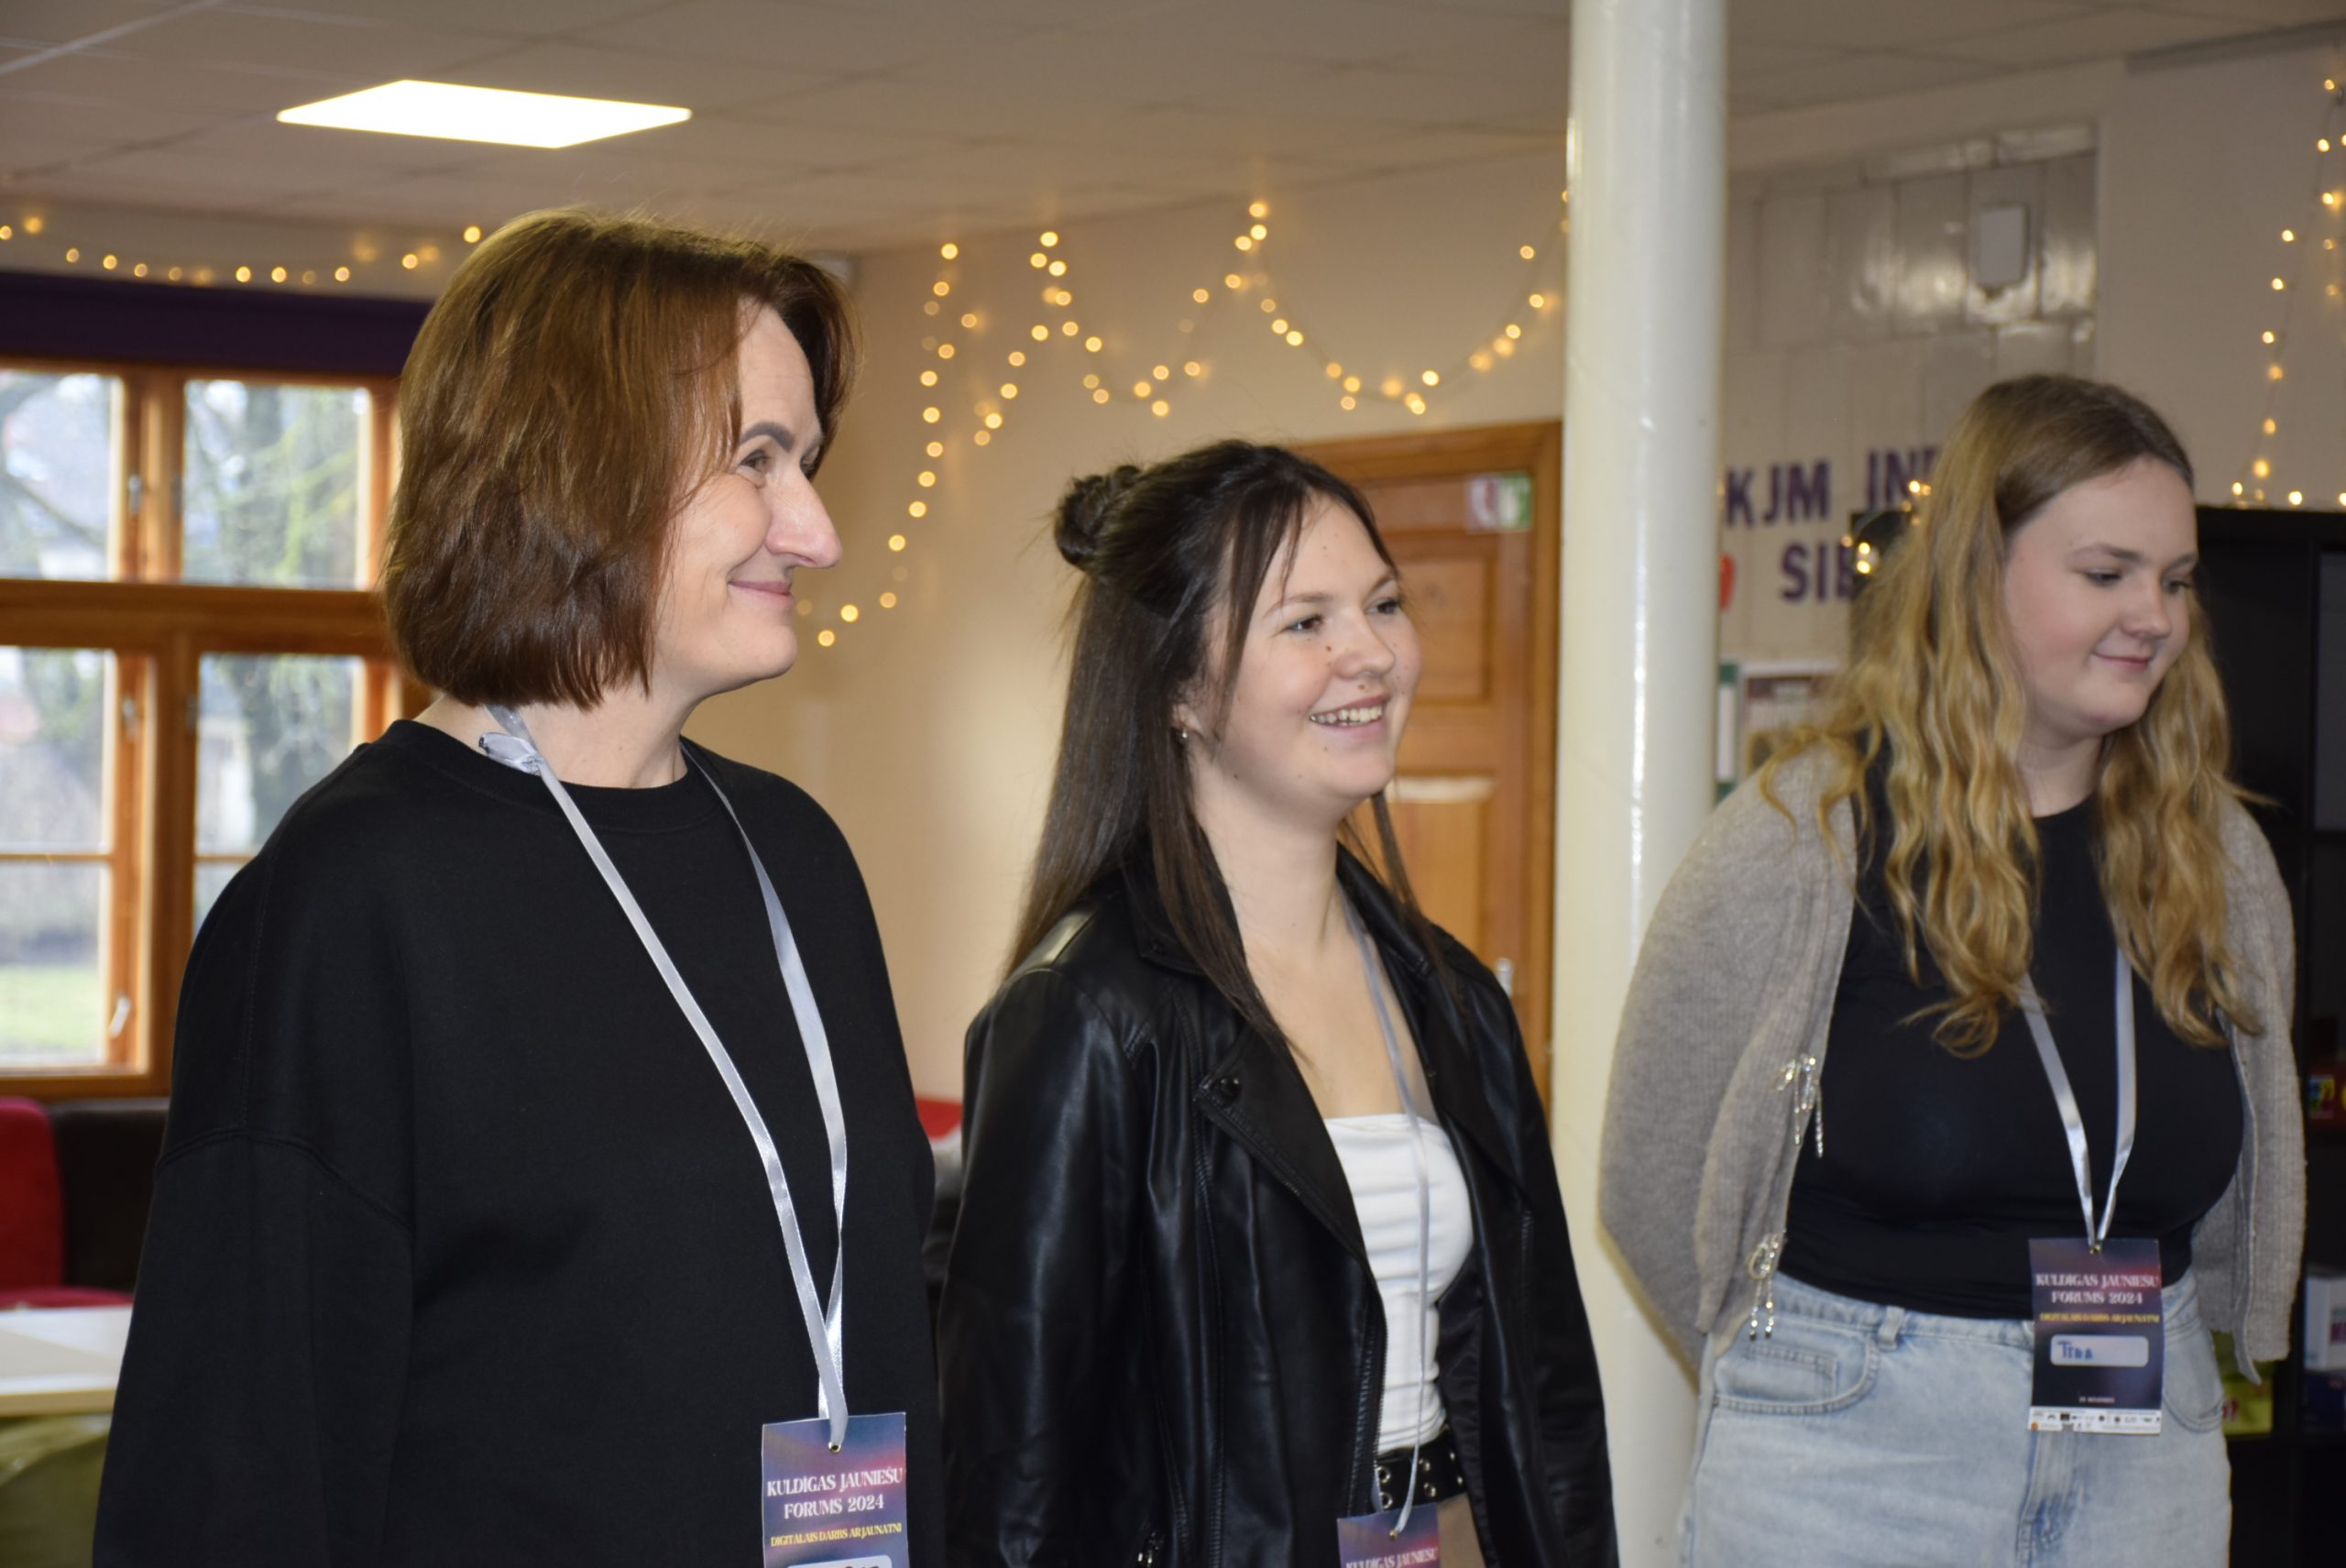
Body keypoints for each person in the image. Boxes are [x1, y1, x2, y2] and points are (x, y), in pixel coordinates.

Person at [95, 210, 944, 1565]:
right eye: (758, 459)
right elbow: (239, 1471)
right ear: (576, 467)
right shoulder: (350, 902)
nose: (818, 531)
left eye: (807, 461)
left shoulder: (795, 856)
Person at [1600, 374, 2304, 1567]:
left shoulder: (2216, 856)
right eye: (2107, 573)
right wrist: (1798, 1365)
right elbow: (1651, 1174)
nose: (2154, 616)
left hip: (2148, 1448)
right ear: (1978, 575)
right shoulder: (1805, 833)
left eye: (2176, 580)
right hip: (1852, 1457)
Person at [938, 442, 1616, 1567]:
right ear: (1180, 691)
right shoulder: (1089, 1015)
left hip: (1453, 1535)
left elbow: (1550, 1401)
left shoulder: (1452, 1000)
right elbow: (1013, 1477)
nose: (1373, 654)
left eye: (1383, 605)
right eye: (1306, 622)